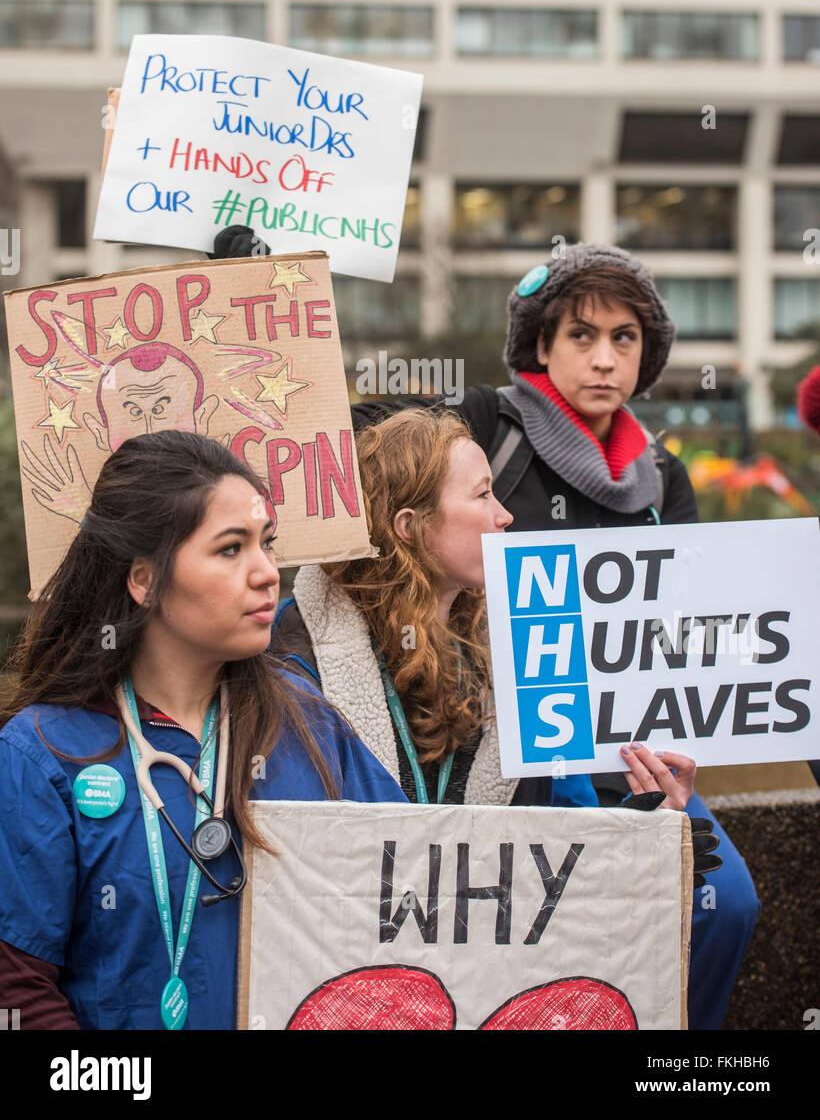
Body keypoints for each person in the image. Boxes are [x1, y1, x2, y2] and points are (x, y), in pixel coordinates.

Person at [349, 242, 760, 1030]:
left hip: (628, 749)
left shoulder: (663, 478)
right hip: (489, 743)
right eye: (580, 335)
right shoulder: (482, 424)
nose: (603, 358)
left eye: (625, 339)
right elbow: (369, 444)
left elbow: (679, 627)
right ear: (541, 345)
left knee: (724, 901)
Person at [0, 430, 405, 1031]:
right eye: (230, 549)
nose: (268, 573)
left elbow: (407, 902)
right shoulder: (43, 755)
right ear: (144, 580)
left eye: (267, 545)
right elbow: (17, 991)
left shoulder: (310, 723)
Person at [274, 408, 715, 823]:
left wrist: (646, 822)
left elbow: (571, 827)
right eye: (483, 494)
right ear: (409, 526)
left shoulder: (533, 645)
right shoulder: (299, 654)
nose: (505, 516)